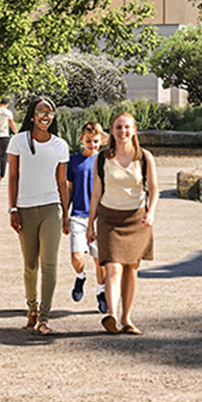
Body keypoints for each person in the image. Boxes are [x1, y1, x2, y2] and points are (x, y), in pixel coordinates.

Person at [87, 111, 157, 335]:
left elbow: (154, 189)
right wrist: (90, 224)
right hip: (109, 218)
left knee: (131, 270)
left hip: (136, 219)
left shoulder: (144, 157)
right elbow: (96, 193)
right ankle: (113, 316)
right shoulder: (103, 158)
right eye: (118, 127)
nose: (123, 131)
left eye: (127, 127)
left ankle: (127, 319)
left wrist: (151, 212)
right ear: (112, 130)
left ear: (134, 130)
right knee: (113, 267)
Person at [7, 95, 71, 334]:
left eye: (50, 112)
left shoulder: (60, 145)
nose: (45, 116)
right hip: (24, 209)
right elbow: (13, 177)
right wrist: (13, 209)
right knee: (31, 265)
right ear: (32, 116)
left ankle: (44, 317)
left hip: (51, 207)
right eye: (41, 111)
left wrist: (65, 215)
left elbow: (62, 183)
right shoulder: (18, 142)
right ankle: (31, 308)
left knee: (50, 264)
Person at [65, 121, 108, 313]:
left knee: (99, 260)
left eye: (96, 142)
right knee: (77, 257)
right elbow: (69, 189)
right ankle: (80, 277)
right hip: (78, 216)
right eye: (89, 141)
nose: (93, 145)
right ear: (82, 139)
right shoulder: (72, 161)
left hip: (99, 217)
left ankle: (101, 292)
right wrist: (64, 215)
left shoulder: (105, 161)